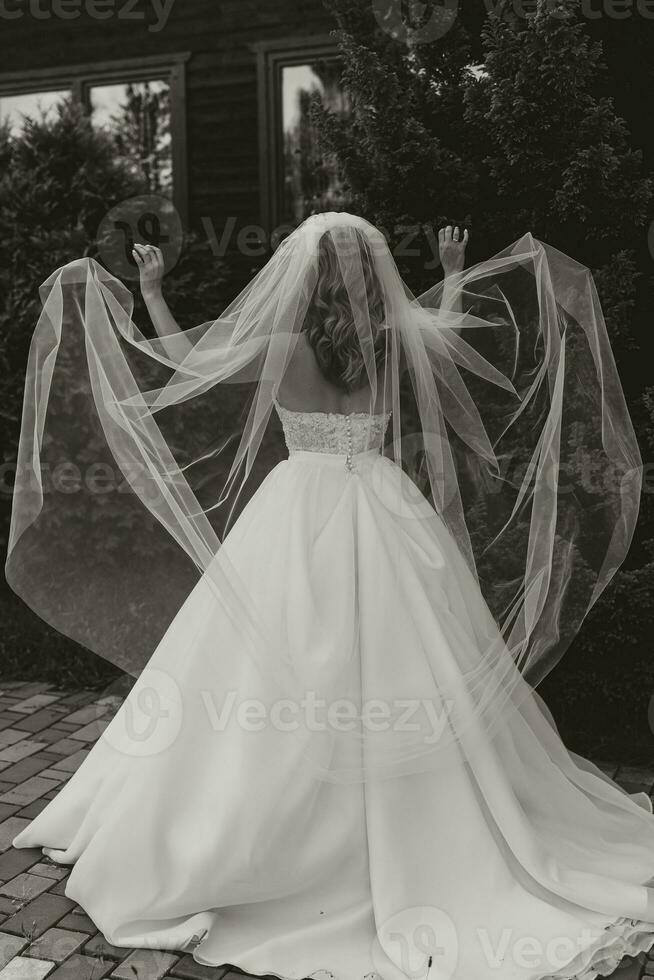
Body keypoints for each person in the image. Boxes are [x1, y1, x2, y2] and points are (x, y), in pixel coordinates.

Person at [7, 213, 654, 980]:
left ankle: (267, 826)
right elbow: (451, 334)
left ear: (300, 279)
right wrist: (448, 269)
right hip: (385, 508)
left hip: (298, 513)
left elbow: (184, 365)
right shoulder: (394, 338)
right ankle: (438, 828)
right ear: (373, 275)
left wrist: (150, 292)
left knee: (266, 668)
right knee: (411, 660)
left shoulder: (283, 348)